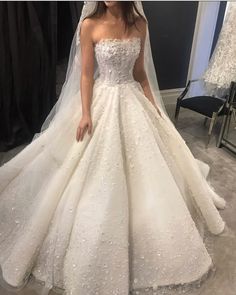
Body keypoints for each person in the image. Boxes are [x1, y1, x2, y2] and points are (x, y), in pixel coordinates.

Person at [0, 2, 227, 295]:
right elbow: (84, 74)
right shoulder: (89, 25)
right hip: (102, 99)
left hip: (132, 97)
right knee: (78, 169)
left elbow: (140, 73)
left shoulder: (139, 25)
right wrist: (85, 113)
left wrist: (155, 107)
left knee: (156, 162)